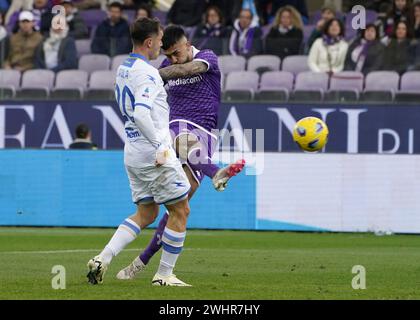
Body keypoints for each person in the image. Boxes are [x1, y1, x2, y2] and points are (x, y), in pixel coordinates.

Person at [116, 25, 245, 280]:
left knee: (179, 207)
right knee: (180, 136)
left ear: (188, 44)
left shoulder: (206, 57)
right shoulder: (163, 67)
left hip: (206, 137)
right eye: (169, 55)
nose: (173, 59)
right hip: (176, 127)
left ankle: (142, 262)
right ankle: (215, 172)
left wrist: (156, 72)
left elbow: (188, 69)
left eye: (176, 53)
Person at [87, 17, 193, 287]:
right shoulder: (147, 73)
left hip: (133, 152)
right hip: (152, 154)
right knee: (181, 210)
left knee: (147, 214)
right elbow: (141, 113)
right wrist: (160, 145)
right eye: (159, 39)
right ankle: (164, 275)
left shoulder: (124, 68)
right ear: (149, 42)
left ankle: (103, 258)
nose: (162, 44)